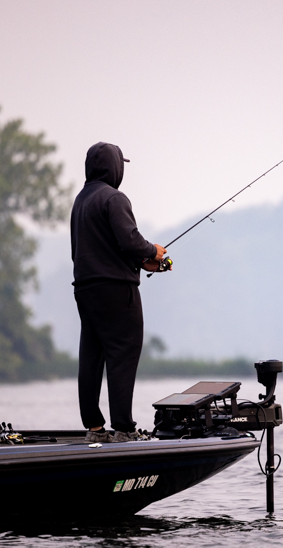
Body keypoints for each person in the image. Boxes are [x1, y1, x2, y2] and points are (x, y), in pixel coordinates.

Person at [70, 142, 167, 443]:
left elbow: (106, 247)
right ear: (114, 167)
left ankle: (94, 428)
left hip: (85, 289)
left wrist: (141, 262)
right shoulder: (114, 198)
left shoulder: (81, 201)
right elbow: (129, 240)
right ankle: (124, 429)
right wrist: (153, 251)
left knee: (91, 356)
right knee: (123, 354)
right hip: (116, 290)